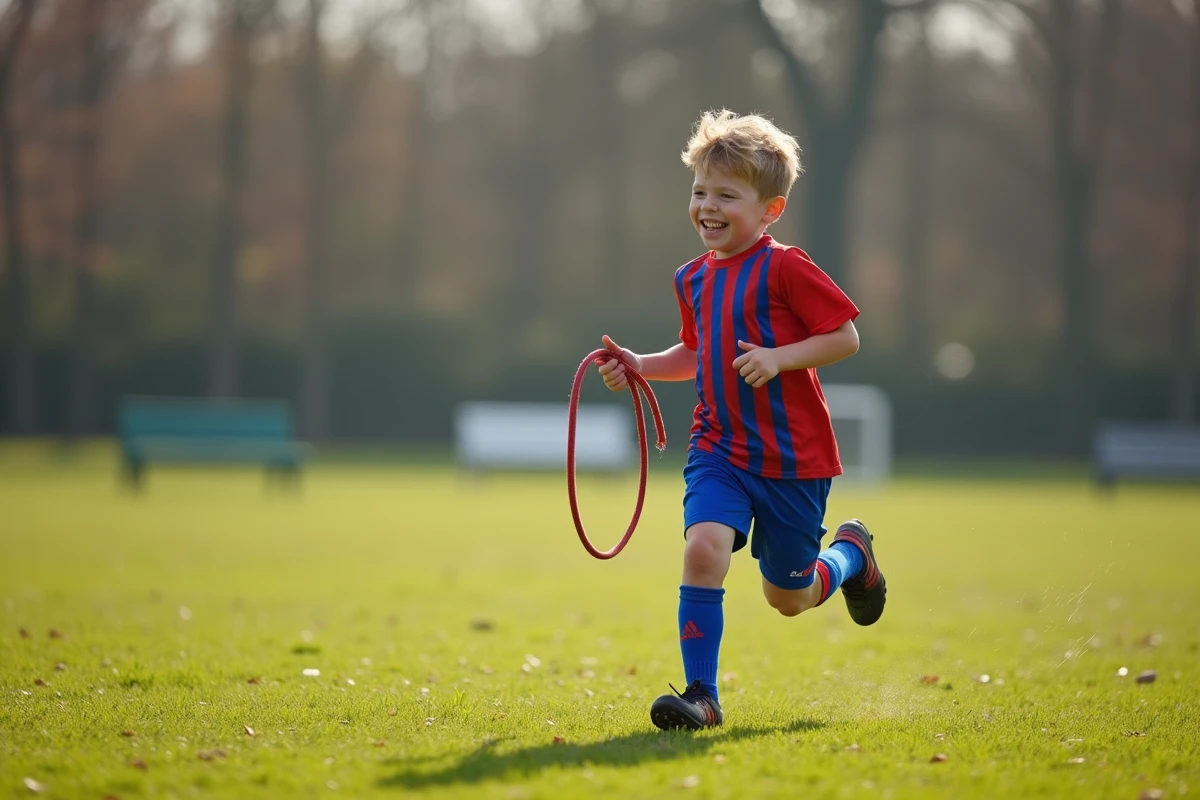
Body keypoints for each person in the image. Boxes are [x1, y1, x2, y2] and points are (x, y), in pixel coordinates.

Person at [596, 109, 886, 731]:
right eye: (700, 191)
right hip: (719, 450)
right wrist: (640, 365)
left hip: (793, 460)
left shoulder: (786, 267)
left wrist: (779, 357)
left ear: (770, 210)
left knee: (790, 597)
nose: (707, 206)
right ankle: (702, 696)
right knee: (703, 549)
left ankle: (850, 555)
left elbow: (845, 337)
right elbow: (695, 352)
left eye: (727, 195)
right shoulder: (691, 279)